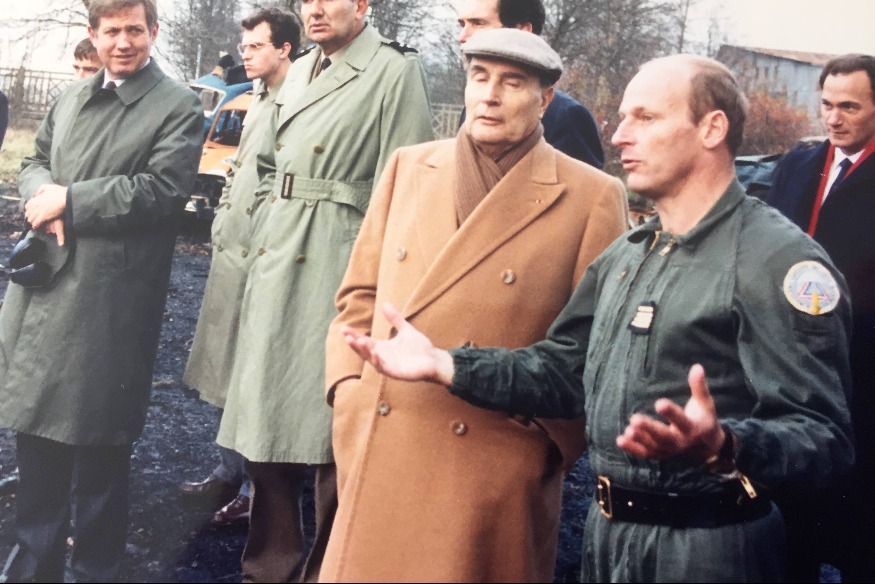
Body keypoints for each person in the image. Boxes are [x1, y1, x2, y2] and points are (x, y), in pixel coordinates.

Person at [339, 54, 856, 583]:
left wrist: (726, 446)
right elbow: (565, 373)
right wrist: (446, 365)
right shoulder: (628, 253)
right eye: (623, 117)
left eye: (645, 118)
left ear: (712, 128)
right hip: (608, 539)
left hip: (709, 548)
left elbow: (824, 438)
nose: (620, 135)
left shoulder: (778, 262)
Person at [319, 28, 628, 582]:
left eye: (512, 82)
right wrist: (348, 395)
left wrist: (543, 447)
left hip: (492, 463)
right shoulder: (408, 167)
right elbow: (358, 295)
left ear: (544, 99)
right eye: (479, 77)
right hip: (385, 438)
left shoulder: (592, 196)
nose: (489, 95)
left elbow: (595, 350)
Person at [214, 0, 434, 581]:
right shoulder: (302, 69)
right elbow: (267, 164)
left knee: (335, 425)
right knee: (263, 421)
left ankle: (332, 570)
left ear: (361, 5)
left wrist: (380, 281)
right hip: (277, 254)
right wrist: (264, 222)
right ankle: (269, 568)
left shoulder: (393, 70)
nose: (313, 9)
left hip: (339, 263)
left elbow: (408, 187)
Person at [0, 0, 202, 581]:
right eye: (111, 30)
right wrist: (43, 195)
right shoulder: (71, 97)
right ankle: (33, 565)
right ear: (94, 34)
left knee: (100, 444)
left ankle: (95, 570)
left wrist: (71, 201)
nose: (123, 42)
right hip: (44, 287)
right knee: (36, 430)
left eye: (135, 29)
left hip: (110, 297)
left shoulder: (177, 106)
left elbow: (163, 189)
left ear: (153, 32)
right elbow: (35, 160)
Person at [180, 6, 301, 529]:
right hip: (233, 250)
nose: (245, 54)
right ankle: (228, 472)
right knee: (223, 364)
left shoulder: (301, 99)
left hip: (266, 253)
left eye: (256, 46)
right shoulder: (256, 97)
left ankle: (257, 490)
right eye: (244, 45)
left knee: (256, 372)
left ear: (285, 48)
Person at [765, 53, 875, 583]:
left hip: (863, 365)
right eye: (827, 104)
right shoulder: (798, 165)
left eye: (849, 107)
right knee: (791, 521)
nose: (833, 118)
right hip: (790, 361)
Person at [456, 0, 605, 169]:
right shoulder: (474, 110)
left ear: (522, 31)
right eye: (462, 24)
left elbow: (582, 182)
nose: (462, 37)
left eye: (478, 23)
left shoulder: (566, 117)